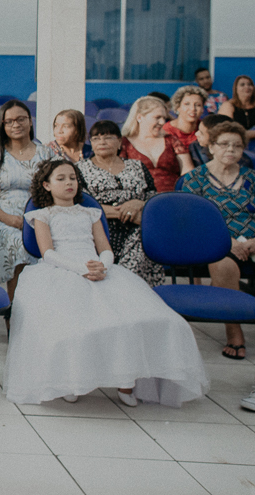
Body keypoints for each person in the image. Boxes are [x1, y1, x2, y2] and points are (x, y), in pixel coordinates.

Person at [4, 159, 209, 406]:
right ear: (46, 185)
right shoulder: (42, 215)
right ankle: (69, 380)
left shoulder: (90, 213)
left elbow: (105, 248)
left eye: (73, 178)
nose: (69, 183)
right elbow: (47, 253)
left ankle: (126, 383)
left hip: (98, 268)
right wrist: (81, 269)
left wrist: (103, 266)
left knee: (129, 320)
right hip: (62, 269)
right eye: (61, 179)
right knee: (72, 324)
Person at [178, 120, 255, 361]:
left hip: (252, 240)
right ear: (211, 147)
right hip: (214, 242)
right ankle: (234, 330)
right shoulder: (195, 179)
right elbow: (191, 221)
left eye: (237, 145)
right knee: (223, 266)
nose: (231, 149)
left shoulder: (252, 178)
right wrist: (227, 242)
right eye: (224, 144)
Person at [0, 100, 56, 299]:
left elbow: (57, 190)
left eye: (20, 119)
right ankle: (16, 310)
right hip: (1, 218)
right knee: (19, 245)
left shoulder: (46, 153)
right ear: (2, 125)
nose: (15, 125)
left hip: (40, 217)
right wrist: (8, 218)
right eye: (9, 121)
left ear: (30, 121)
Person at [75, 120, 163, 287]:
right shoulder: (80, 169)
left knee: (145, 236)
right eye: (96, 138)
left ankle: (133, 291)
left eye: (108, 137)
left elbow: (152, 197)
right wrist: (127, 213)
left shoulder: (137, 166)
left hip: (138, 227)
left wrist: (138, 203)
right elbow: (82, 204)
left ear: (120, 142)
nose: (102, 142)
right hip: (100, 228)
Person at [119, 96, 192, 192]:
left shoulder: (172, 141)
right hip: (139, 196)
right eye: (157, 117)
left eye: (164, 118)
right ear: (139, 117)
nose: (162, 122)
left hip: (173, 195)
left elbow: (188, 174)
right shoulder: (124, 144)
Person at [163, 85, 207, 149]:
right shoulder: (166, 131)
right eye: (187, 104)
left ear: (202, 109)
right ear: (178, 107)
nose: (192, 109)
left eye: (198, 105)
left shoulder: (206, 129)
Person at [219, 74, 255, 140]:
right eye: (242, 85)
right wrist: (248, 134)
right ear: (236, 89)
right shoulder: (229, 105)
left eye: (250, 84)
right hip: (235, 141)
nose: (247, 87)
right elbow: (224, 129)